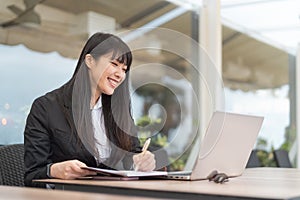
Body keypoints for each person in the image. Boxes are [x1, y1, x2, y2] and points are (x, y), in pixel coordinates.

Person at [24, 32, 156, 187]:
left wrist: (142, 161)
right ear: (90, 60)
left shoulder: (118, 111)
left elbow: (133, 154)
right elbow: (31, 175)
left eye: (124, 69)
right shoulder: (46, 108)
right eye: (114, 64)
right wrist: (54, 170)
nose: (120, 74)